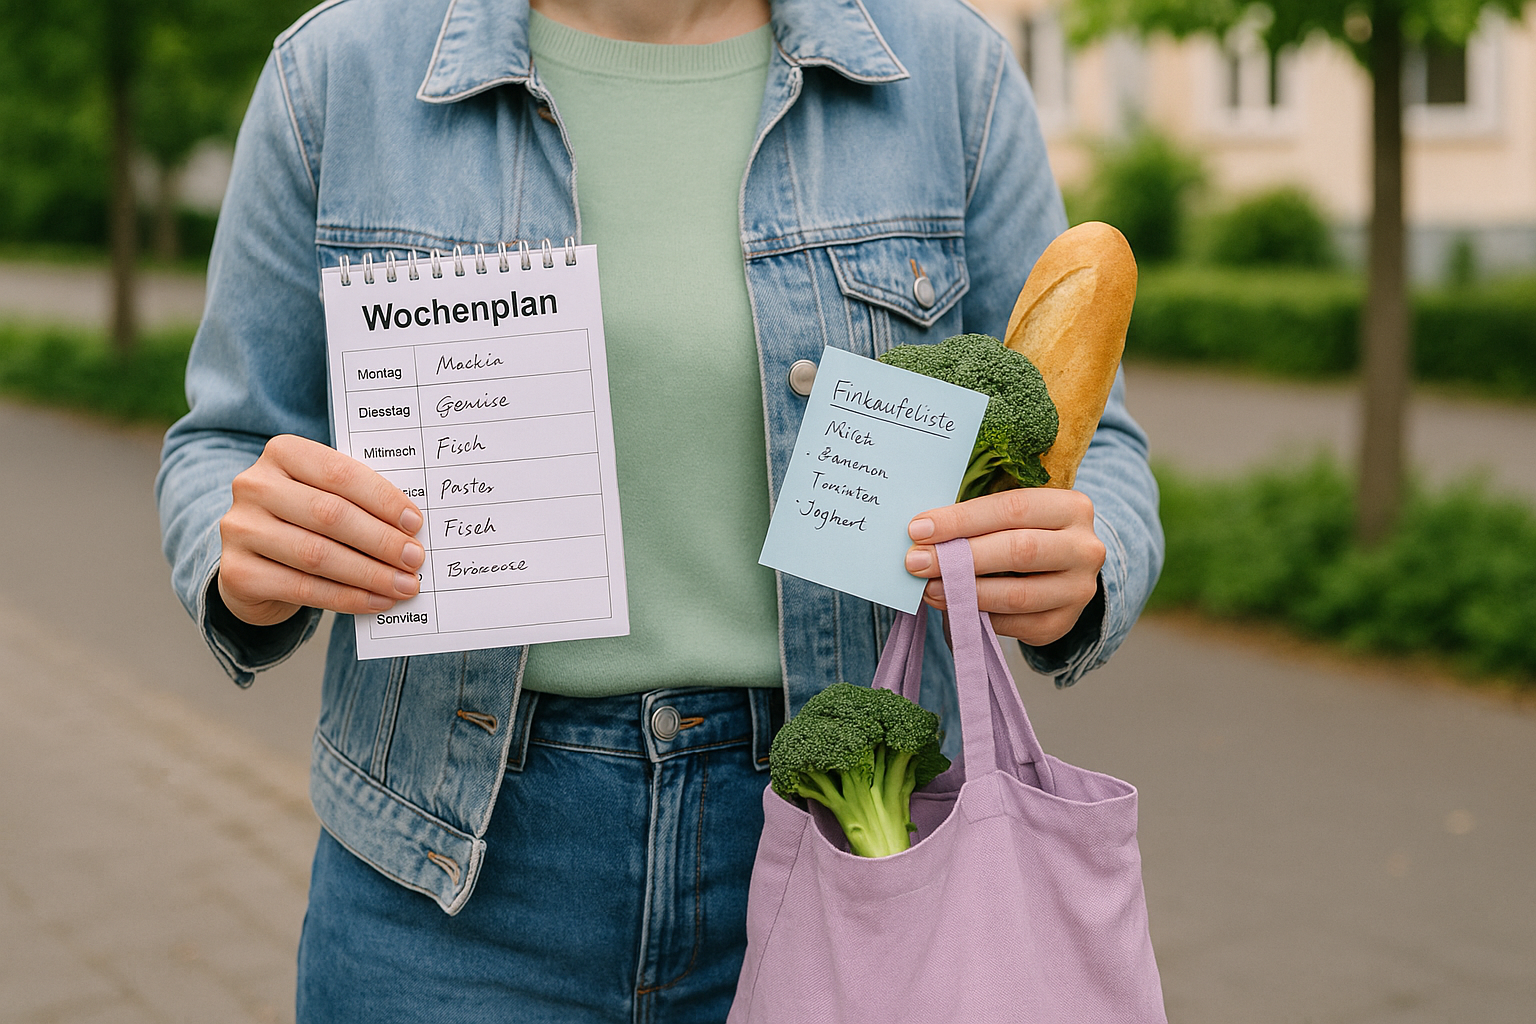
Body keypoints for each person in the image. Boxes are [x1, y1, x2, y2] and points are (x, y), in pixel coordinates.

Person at [156, 0, 1163, 1019]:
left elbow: (1096, 450)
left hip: (860, 836)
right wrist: (247, 556)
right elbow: (225, 442)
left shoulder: (952, 73)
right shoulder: (335, 72)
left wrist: (1080, 562)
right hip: (448, 873)